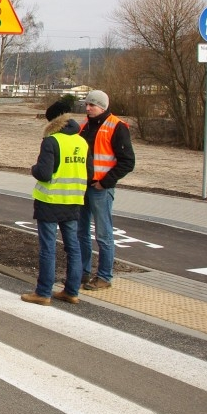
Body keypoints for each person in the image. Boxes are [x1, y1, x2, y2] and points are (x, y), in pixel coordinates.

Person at [21, 100, 88, 306]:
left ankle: (43, 292)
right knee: (73, 247)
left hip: (49, 201)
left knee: (48, 248)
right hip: (74, 201)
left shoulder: (51, 142)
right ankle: (71, 291)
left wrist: (33, 168)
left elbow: (43, 173)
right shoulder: (81, 142)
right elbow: (90, 172)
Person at [77, 90, 135, 290]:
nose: (87, 108)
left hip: (100, 188)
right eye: (86, 104)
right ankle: (83, 273)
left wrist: (106, 182)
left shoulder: (117, 127)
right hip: (83, 187)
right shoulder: (83, 127)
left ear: (102, 106)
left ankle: (104, 277)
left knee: (103, 234)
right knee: (81, 232)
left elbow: (127, 162)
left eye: (91, 105)